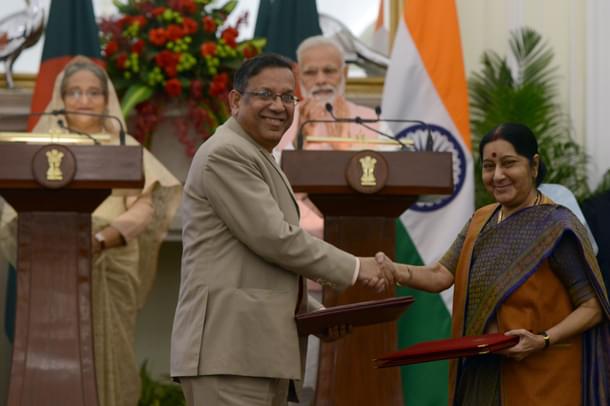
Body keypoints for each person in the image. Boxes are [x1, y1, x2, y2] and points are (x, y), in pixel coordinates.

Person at [170, 53, 392, 406]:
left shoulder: (258, 155)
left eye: (288, 97)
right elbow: (274, 239)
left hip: (258, 352)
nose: (279, 106)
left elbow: (261, 263)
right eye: (265, 95)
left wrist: (312, 314)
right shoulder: (226, 154)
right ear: (235, 100)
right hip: (229, 352)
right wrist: (355, 267)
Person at [376, 123, 610, 405]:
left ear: (533, 165)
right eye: (489, 166)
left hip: (540, 376)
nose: (497, 175)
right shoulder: (481, 219)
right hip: (483, 373)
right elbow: (440, 275)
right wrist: (393, 270)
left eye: (509, 164)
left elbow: (592, 307)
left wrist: (543, 339)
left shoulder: (556, 227)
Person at [0, 56, 182, 406]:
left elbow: (148, 203)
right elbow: (12, 210)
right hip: (49, 259)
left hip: (110, 255)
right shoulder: (39, 147)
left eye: (93, 92)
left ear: (106, 99)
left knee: (109, 352)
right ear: (61, 99)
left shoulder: (123, 146)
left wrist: (102, 239)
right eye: (75, 92)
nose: (84, 100)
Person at [275, 36, 393, 239]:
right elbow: (268, 182)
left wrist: (344, 150)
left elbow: (395, 175)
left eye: (328, 71)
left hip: (360, 236)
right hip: (294, 242)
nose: (320, 79)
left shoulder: (374, 121)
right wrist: (298, 143)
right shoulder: (278, 120)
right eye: (311, 72)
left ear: (344, 73)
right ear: (298, 77)